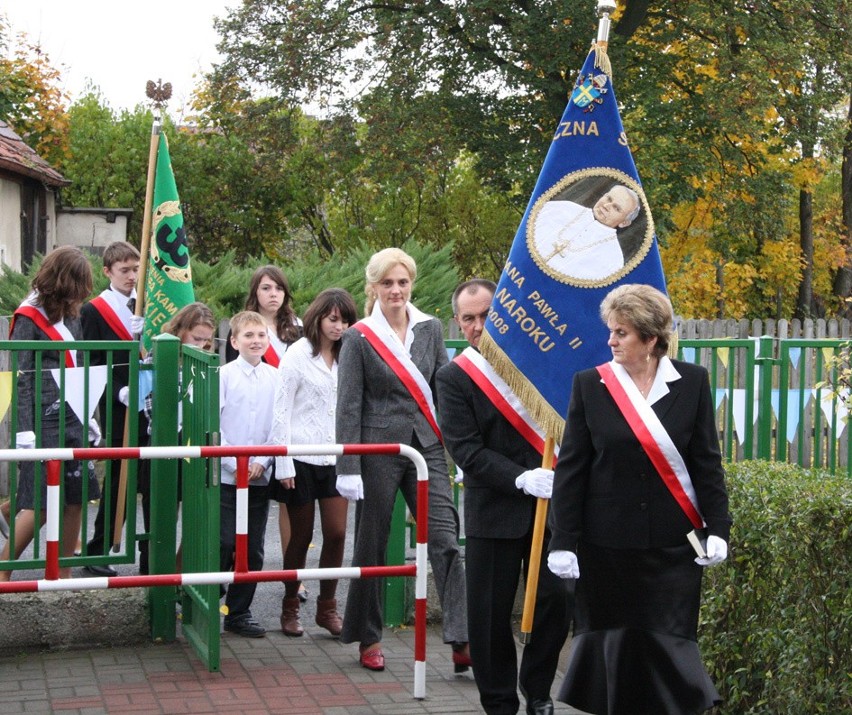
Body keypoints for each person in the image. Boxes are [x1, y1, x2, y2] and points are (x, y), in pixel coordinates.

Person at [547, 283, 732, 715]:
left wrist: (718, 528)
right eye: (611, 331)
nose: (610, 341)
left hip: (672, 548)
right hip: (605, 546)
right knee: (614, 647)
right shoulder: (590, 385)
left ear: (651, 339)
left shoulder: (692, 382)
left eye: (622, 333)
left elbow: (706, 463)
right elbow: (571, 469)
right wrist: (562, 539)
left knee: (669, 646)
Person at [436, 278, 574, 715]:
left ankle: (538, 691)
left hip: (552, 510)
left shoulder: (546, 367)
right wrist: (520, 478)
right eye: (469, 318)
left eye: (487, 315)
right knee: (490, 615)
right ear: (458, 323)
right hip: (494, 507)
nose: (479, 326)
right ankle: (498, 702)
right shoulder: (454, 377)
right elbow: (466, 449)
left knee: (556, 602)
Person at [335, 247, 469, 672]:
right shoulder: (358, 336)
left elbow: (443, 390)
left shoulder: (429, 328)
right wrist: (348, 465)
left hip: (427, 446)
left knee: (446, 539)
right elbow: (348, 405)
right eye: (387, 283)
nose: (396, 290)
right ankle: (368, 637)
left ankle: (462, 637)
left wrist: (459, 449)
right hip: (378, 450)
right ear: (373, 287)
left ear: (411, 284)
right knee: (371, 543)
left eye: (403, 282)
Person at [0, 247, 95, 581]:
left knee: (77, 496)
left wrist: (89, 412)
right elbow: (22, 376)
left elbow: (79, 362)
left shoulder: (71, 312)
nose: (82, 294)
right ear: (62, 282)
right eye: (78, 285)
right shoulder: (29, 316)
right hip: (42, 419)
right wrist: (25, 431)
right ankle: (3, 571)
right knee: (39, 503)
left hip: (74, 413)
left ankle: (63, 575)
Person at [272, 288, 358, 638]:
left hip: (336, 457)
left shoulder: (350, 354)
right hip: (301, 457)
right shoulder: (297, 353)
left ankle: (328, 607)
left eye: (345, 321)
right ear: (318, 318)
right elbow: (281, 408)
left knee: (337, 534)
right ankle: (290, 605)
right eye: (333, 319)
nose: (339, 327)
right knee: (301, 536)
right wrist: (283, 461)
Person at [225, 265, 307, 601]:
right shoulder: (246, 327)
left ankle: (293, 578)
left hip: (290, 425)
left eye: (278, 288)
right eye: (265, 288)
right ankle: (218, 580)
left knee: (290, 505)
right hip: (251, 439)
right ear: (255, 292)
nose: (273, 294)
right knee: (232, 527)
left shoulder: (298, 328)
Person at [135, 301, 217, 574]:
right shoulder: (158, 356)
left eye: (206, 341)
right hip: (162, 443)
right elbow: (149, 407)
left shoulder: (206, 363)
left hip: (194, 445)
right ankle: (152, 581)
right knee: (160, 520)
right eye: (196, 338)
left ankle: (179, 574)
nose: (201, 346)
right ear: (180, 331)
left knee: (198, 518)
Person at [80, 241, 145, 577]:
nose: (132, 277)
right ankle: (98, 549)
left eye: (136, 269)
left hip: (152, 399)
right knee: (120, 474)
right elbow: (90, 362)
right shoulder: (94, 310)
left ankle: (151, 554)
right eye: (124, 271)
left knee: (153, 474)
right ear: (107, 272)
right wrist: (118, 391)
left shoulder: (148, 303)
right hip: (118, 402)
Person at [218, 310, 279, 637]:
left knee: (252, 548)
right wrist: (235, 462)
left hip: (258, 475)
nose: (256, 341)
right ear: (234, 341)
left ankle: (239, 612)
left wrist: (263, 460)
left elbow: (278, 425)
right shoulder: (224, 375)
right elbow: (216, 423)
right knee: (226, 540)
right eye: (248, 336)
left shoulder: (275, 377)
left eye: (261, 336)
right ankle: (211, 589)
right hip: (229, 475)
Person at [530, 184, 640, 281]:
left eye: (616, 208)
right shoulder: (562, 208)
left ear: (624, 223)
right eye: (608, 198)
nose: (606, 206)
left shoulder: (613, 260)